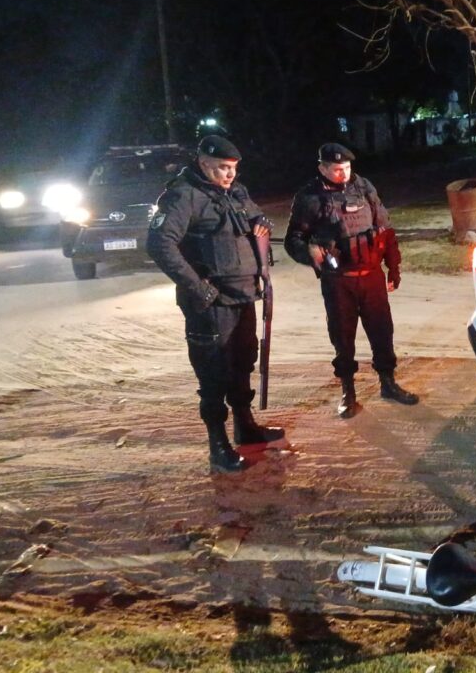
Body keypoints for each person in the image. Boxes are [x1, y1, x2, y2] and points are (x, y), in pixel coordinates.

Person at [146, 135, 285, 473]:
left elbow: (256, 218)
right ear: (204, 163)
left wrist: (259, 223)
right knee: (213, 374)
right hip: (211, 303)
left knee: (242, 363)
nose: (230, 174)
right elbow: (160, 245)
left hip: (243, 295)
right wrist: (197, 287)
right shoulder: (183, 195)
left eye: (233, 168)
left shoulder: (235, 191)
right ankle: (218, 445)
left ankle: (245, 426)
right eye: (223, 168)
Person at [284, 143, 417, 418]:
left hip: (371, 276)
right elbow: (293, 240)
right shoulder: (310, 197)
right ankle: (348, 391)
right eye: (336, 169)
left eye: (346, 167)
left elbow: (385, 230)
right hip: (338, 280)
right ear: (322, 169)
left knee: (382, 332)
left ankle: (388, 383)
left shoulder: (364, 188)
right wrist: (309, 253)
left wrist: (394, 267)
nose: (343, 173)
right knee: (343, 338)